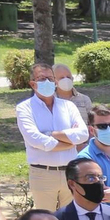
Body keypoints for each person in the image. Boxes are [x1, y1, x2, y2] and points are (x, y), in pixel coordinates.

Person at [16, 62, 89, 210]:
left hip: (70, 172)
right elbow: (35, 139)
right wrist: (69, 142)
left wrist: (51, 134)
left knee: (70, 217)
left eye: (50, 78)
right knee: (46, 219)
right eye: (42, 79)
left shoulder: (68, 106)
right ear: (33, 84)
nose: (47, 82)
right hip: (43, 174)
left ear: (55, 82)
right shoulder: (24, 108)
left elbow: (83, 134)